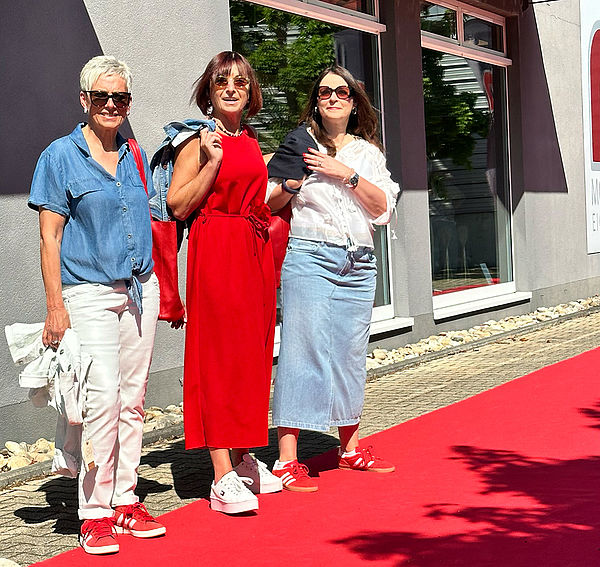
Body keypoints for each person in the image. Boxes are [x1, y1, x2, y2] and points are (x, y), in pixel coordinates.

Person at [29, 55, 165, 555]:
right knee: (100, 397)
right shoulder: (59, 156)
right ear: (84, 99)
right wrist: (55, 306)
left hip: (139, 289)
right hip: (87, 292)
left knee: (133, 398)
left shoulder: (134, 153)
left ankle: (126, 498)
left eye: (121, 97)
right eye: (102, 96)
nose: (112, 104)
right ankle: (94, 511)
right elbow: (49, 236)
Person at [268, 65, 401, 492]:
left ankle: (350, 448)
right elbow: (269, 200)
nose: (332, 98)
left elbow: (383, 209)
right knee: (300, 352)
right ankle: (287, 459)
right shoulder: (300, 143)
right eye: (324, 92)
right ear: (316, 101)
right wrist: (294, 182)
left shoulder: (367, 153)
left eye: (341, 92)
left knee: (350, 354)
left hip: (359, 261)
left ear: (354, 102)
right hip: (311, 255)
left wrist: (345, 174)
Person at [167, 51, 281, 514]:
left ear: (250, 92)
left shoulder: (250, 139)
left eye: (240, 82)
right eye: (221, 82)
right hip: (216, 247)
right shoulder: (197, 141)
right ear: (209, 93)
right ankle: (221, 476)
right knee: (217, 357)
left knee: (250, 357)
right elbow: (178, 205)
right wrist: (211, 163)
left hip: (253, 250)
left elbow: (258, 196)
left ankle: (243, 456)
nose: (231, 89)